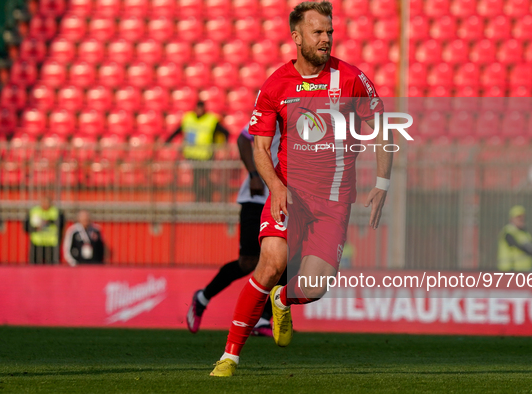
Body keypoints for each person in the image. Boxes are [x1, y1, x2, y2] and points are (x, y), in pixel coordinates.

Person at [210, 1, 393, 376]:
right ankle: (229, 357)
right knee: (271, 262)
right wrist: (275, 186)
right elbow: (260, 147)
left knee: (313, 287)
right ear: (296, 36)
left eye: (329, 32)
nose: (326, 39)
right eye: (318, 32)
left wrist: (382, 182)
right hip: (289, 194)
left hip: (334, 202)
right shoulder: (276, 84)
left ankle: (283, 297)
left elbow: (383, 129)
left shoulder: (352, 79)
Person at [186, 122, 284, 337]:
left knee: (287, 261)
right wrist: (253, 175)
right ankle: (203, 297)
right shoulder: (278, 111)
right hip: (257, 197)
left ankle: (263, 319)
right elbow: (243, 138)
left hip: (285, 200)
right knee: (248, 262)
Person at [165, 100, 230, 202]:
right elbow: (178, 130)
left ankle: (208, 198)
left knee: (206, 177)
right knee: (196, 178)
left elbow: (225, 132)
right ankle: (198, 198)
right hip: (192, 155)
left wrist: (223, 145)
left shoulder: (211, 120)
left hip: (207, 155)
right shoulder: (188, 118)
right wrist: (168, 141)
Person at [24, 196, 64, 264]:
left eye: (47, 202)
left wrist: (48, 222)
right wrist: (35, 228)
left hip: (51, 244)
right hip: (37, 244)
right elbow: (26, 227)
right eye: (43, 202)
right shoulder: (34, 211)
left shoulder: (56, 212)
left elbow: (61, 225)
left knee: (52, 267)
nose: (45, 204)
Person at [497, 205, 532, 272]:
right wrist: (528, 249)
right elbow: (516, 244)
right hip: (509, 270)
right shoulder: (508, 232)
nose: (521, 219)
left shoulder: (525, 233)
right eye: (518, 217)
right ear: (511, 219)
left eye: (522, 217)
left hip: (524, 271)